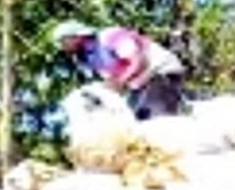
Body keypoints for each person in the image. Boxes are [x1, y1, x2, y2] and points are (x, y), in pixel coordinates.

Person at [52, 20, 186, 120]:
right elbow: (113, 79)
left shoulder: (110, 36)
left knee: (154, 119)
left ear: (76, 36)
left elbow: (139, 61)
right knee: (131, 121)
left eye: (63, 41)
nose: (62, 47)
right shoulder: (86, 58)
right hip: (139, 85)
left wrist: (119, 82)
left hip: (161, 71)